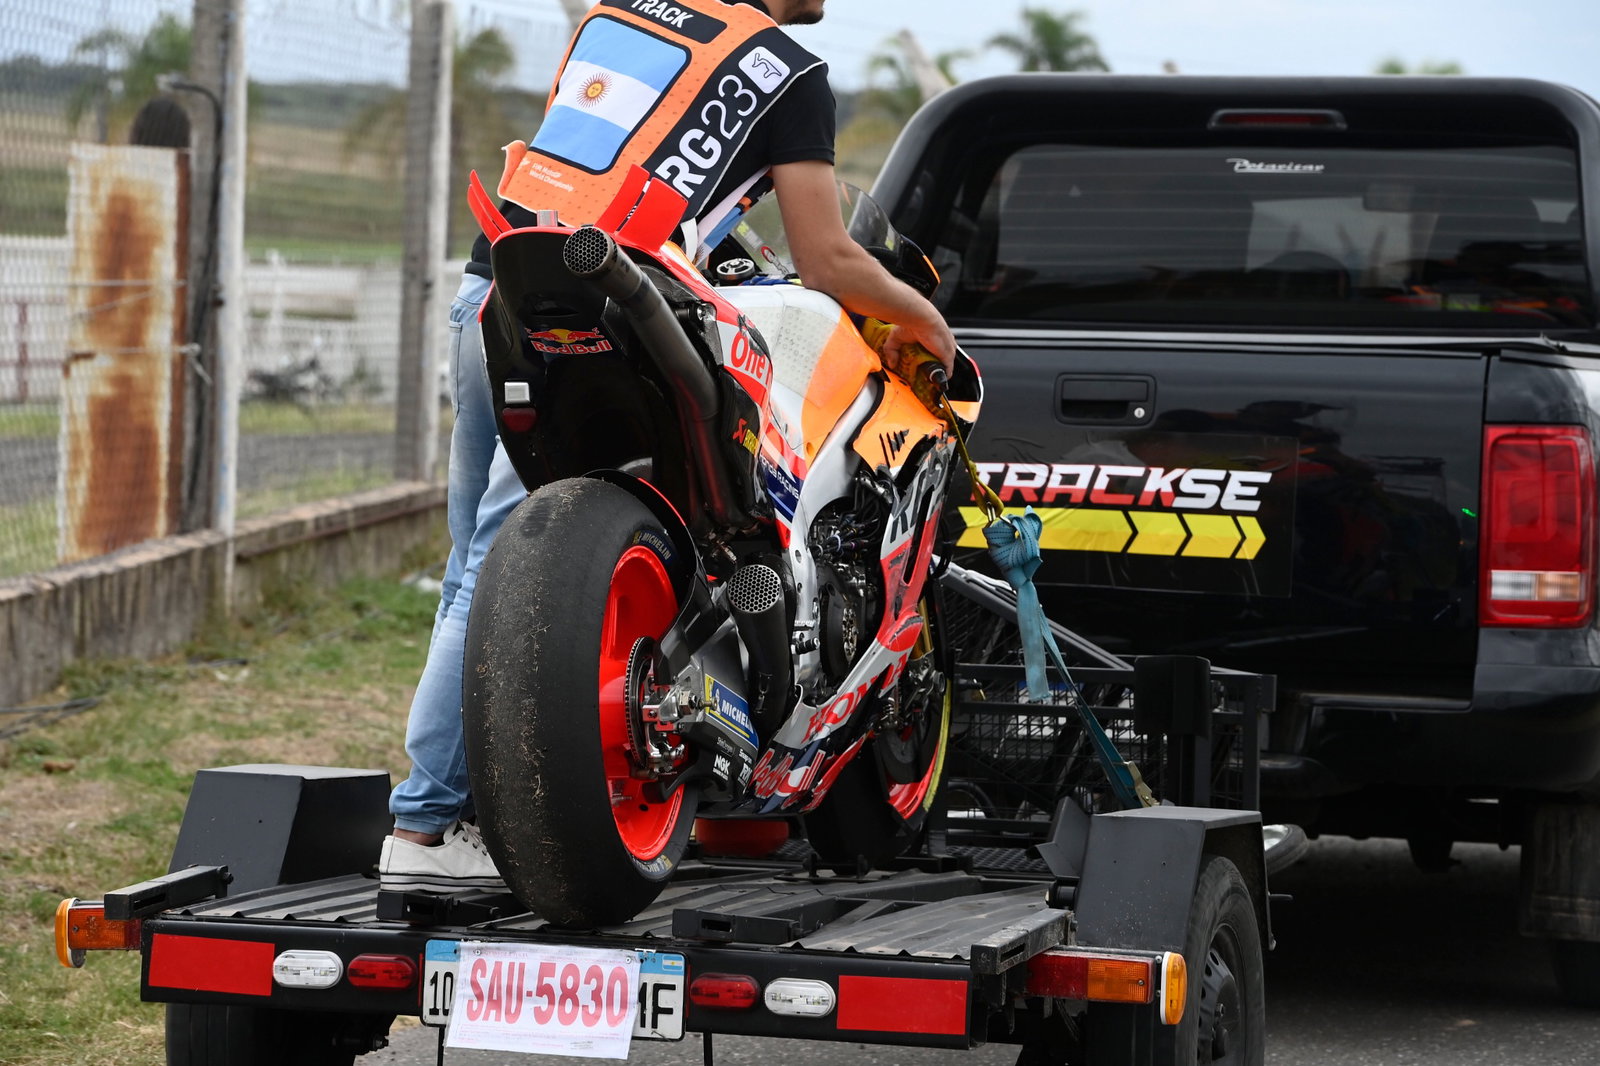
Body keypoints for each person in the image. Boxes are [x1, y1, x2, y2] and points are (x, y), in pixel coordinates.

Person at [379, 0, 956, 893]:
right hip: (612, 313)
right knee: (539, 556)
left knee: (477, 569)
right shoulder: (788, 72)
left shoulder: (621, 18)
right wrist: (924, 322)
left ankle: (446, 818)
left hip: (493, 296)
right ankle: (425, 830)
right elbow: (827, 261)